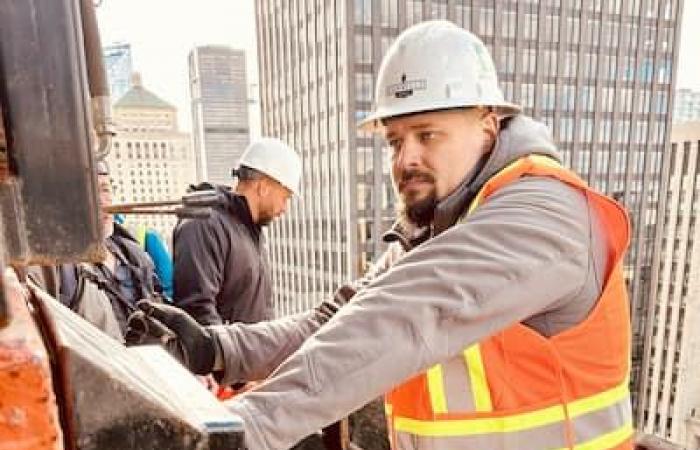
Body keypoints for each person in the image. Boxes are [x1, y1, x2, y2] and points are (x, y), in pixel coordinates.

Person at [132, 21, 633, 450]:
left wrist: (238, 432)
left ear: (488, 124)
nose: (405, 157)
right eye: (395, 140)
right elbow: (337, 322)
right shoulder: (434, 229)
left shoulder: (542, 216)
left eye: (427, 134)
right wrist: (217, 350)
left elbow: (401, 320)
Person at [172, 138, 302, 325]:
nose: (284, 208)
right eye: (285, 197)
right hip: (229, 353)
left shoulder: (248, 228)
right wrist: (233, 353)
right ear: (263, 187)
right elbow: (197, 313)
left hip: (250, 352)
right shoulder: (204, 224)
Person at [59, 161, 163, 341]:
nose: (101, 201)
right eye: (88, 191)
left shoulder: (134, 254)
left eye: (105, 189)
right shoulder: (59, 266)